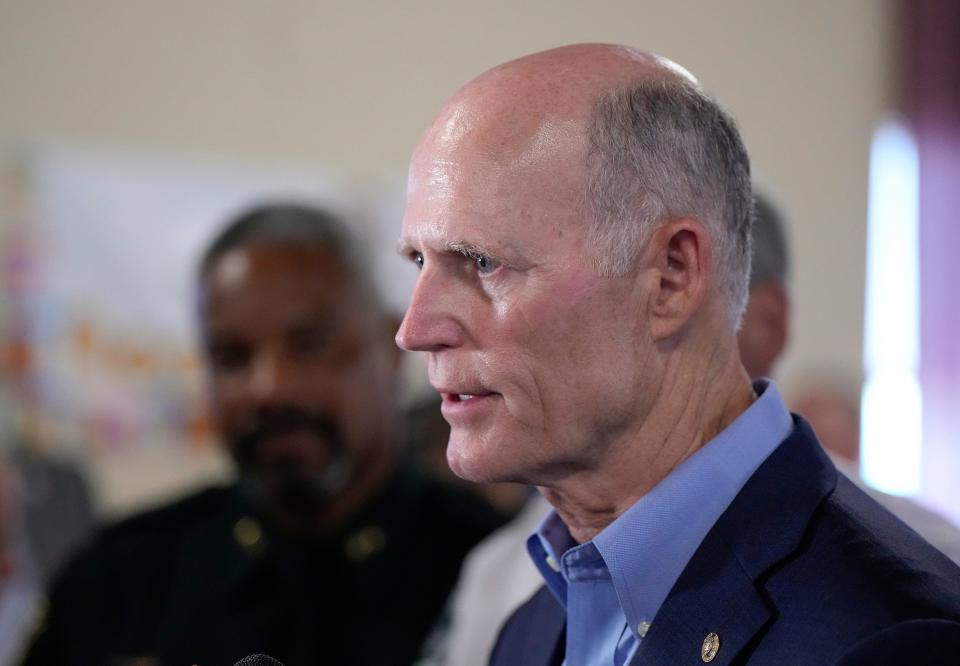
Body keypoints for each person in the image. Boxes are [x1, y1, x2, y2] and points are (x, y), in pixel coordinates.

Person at [396, 44, 960, 665]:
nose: (415, 330)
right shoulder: (532, 622)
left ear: (670, 275)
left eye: (482, 263)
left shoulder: (895, 641)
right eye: (419, 262)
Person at [23, 204, 504, 666]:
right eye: (233, 357)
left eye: (310, 345)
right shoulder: (123, 580)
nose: (270, 389)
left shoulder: (496, 576)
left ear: (390, 345)